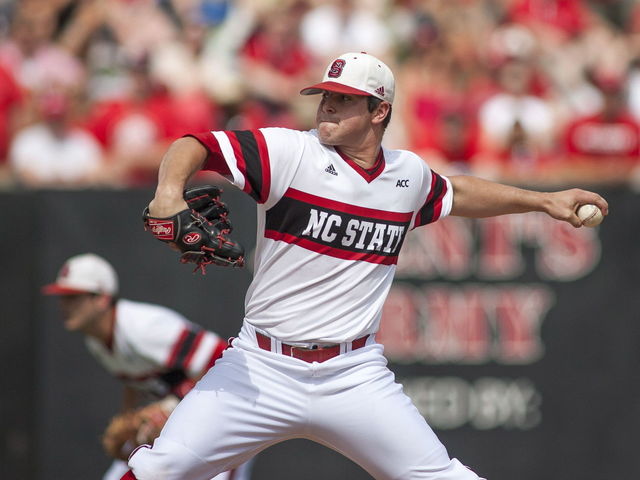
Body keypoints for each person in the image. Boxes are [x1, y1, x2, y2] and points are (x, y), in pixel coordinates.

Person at [123, 52, 608, 480]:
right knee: (162, 469)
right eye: (325, 95)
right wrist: (168, 192)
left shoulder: (407, 176)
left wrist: (544, 201)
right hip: (261, 366)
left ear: (380, 112)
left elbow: (457, 192)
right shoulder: (292, 152)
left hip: (353, 374)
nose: (327, 106)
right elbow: (194, 144)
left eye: (345, 99)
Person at [42, 253, 253, 480]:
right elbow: (134, 381)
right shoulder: (95, 340)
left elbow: (223, 359)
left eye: (73, 297)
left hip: (224, 420)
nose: (64, 306)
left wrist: (170, 407)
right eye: (63, 298)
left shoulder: (142, 328)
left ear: (101, 298)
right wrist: (127, 419)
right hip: (186, 421)